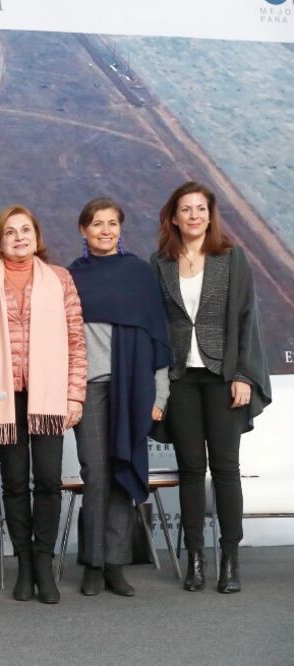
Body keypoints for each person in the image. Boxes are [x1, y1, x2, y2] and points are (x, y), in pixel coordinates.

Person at [150, 181, 271, 594]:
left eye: (201, 209)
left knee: (225, 470)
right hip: (182, 377)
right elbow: (159, 325)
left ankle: (230, 561)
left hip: (223, 378)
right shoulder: (160, 263)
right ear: (174, 217)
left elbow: (246, 318)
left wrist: (243, 376)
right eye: (186, 209)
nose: (194, 216)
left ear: (209, 214)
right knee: (189, 472)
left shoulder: (231, 259)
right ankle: (196, 560)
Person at [0, 205, 86, 604]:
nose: (19, 237)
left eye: (26, 230)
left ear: (37, 237)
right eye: (10, 232)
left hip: (50, 396)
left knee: (49, 482)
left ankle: (43, 562)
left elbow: (75, 340)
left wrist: (75, 394)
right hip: (5, 398)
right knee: (16, 483)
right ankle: (23, 563)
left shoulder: (59, 279)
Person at [67, 198, 172, 597]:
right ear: (83, 230)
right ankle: (92, 563)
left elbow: (158, 339)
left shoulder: (139, 275)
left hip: (133, 388)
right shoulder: (71, 277)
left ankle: (115, 564)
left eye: (112, 223)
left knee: (122, 473)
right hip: (89, 389)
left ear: (120, 229)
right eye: (97, 224)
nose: (105, 230)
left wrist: (159, 394)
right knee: (96, 474)